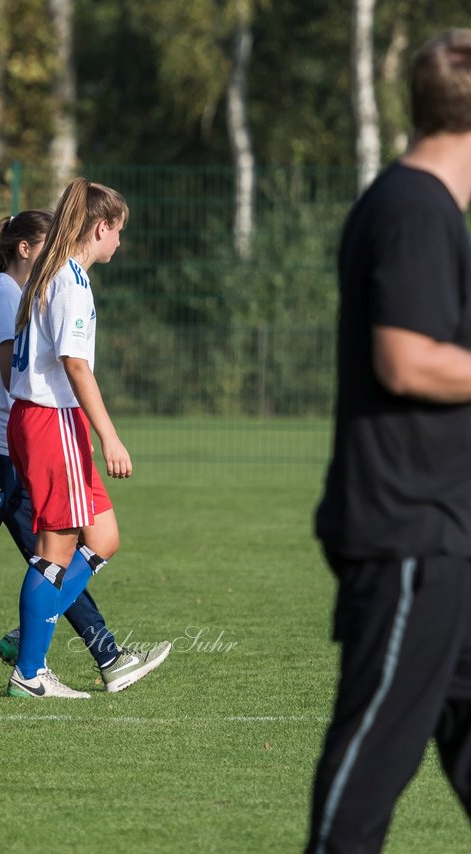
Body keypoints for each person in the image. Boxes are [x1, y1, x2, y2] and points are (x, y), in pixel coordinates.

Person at [0, 210, 170, 694]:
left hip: (9, 447)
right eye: (47, 243)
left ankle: (86, 647)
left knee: (57, 555)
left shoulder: (19, 293)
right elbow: (7, 375)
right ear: (24, 249)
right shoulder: (4, 293)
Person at [309, 29, 471, 853]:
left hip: (446, 536)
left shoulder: (419, 206)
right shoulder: (414, 210)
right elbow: (405, 359)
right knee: (368, 771)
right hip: (408, 536)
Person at [4, 176, 159, 700]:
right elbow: (74, 364)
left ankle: (33, 625)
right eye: (119, 231)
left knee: (104, 538)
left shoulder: (53, 275)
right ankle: (30, 670)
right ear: (101, 227)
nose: (120, 242)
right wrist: (110, 437)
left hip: (44, 420)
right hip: (51, 421)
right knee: (54, 551)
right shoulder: (69, 280)